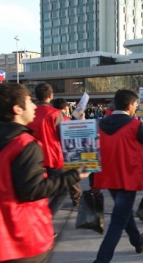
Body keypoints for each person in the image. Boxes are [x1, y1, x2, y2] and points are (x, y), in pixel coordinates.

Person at [0, 82, 90, 263]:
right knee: (60, 189)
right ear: (17, 109)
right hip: (24, 236)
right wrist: (74, 174)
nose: (33, 106)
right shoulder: (24, 143)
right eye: (28, 101)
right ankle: (50, 213)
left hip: (5, 238)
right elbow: (32, 190)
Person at [92, 89, 143, 263]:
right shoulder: (134, 126)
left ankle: (137, 240)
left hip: (108, 178)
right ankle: (100, 260)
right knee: (117, 223)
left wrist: (93, 181)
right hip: (127, 179)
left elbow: (93, 153)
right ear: (130, 105)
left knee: (123, 213)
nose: (136, 107)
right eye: (136, 104)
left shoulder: (99, 124)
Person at [27, 83, 68, 215]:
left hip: (34, 159)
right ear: (51, 96)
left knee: (40, 193)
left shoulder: (30, 113)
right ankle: (46, 219)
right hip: (53, 158)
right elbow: (63, 135)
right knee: (62, 191)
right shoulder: (55, 113)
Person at [52, 97, 82, 207]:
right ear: (65, 107)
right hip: (66, 153)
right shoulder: (67, 120)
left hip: (53, 153)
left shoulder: (51, 118)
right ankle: (76, 198)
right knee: (70, 177)